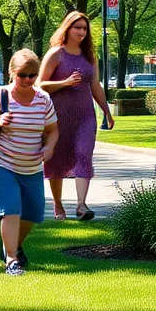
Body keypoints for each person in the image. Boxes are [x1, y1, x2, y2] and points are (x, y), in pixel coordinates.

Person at [0, 49, 59, 277]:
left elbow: (52, 130)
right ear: (12, 72)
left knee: (32, 214)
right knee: (10, 209)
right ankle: (11, 259)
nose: (28, 80)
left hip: (32, 167)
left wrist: (49, 147)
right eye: (23, 74)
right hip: (4, 164)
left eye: (33, 75)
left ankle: (13, 245)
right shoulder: (0, 95)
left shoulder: (43, 100)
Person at [38, 11, 114, 221]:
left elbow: (95, 85)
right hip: (58, 116)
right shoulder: (56, 54)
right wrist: (64, 83)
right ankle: (58, 204)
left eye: (84, 28)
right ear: (67, 28)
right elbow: (40, 85)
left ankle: (81, 205)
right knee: (57, 160)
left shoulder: (89, 55)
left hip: (85, 116)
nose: (81, 32)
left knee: (84, 154)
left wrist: (106, 110)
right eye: (77, 27)